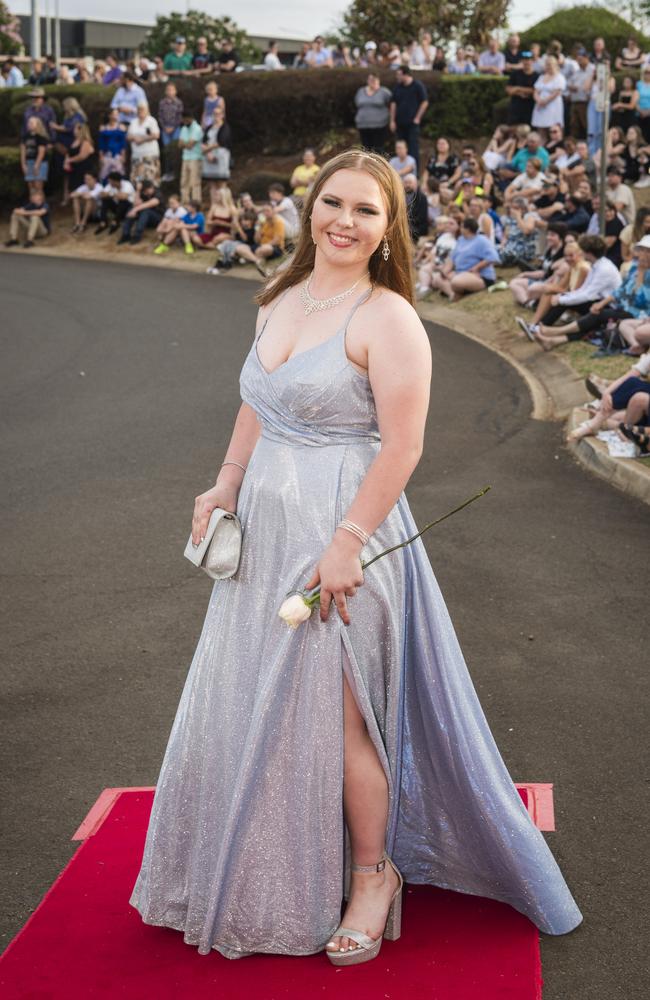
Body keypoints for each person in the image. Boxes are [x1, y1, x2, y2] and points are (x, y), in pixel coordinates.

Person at [129, 149, 582, 963]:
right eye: (331, 202)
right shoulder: (277, 299)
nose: (343, 220)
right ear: (311, 210)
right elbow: (255, 404)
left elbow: (402, 448)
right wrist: (224, 484)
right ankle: (275, 860)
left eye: (365, 210)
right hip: (266, 527)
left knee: (341, 719)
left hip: (344, 530)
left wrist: (346, 546)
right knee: (256, 699)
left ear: (388, 228)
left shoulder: (389, 318)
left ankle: (375, 874)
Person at [532, 237, 650, 352]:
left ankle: (554, 332)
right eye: (641, 250)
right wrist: (601, 303)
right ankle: (552, 338)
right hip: (621, 308)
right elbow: (619, 291)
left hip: (638, 314)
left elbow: (642, 301)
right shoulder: (634, 267)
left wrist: (640, 280)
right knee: (594, 321)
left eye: (645, 251)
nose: (640, 254)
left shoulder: (609, 268)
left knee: (597, 317)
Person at [518, 234, 621, 338]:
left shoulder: (603, 269)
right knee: (561, 299)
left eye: (582, 250)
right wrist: (562, 297)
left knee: (563, 301)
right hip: (599, 301)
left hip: (608, 307)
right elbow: (584, 290)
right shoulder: (597, 265)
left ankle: (537, 329)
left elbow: (587, 295)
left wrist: (561, 300)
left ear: (589, 253)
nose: (581, 253)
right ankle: (536, 327)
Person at [432, 216, 501, 300]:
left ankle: (454, 290)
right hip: (460, 273)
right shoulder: (461, 239)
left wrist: (476, 268)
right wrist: (445, 272)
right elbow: (452, 258)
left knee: (456, 282)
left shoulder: (482, 240)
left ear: (467, 229)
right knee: (437, 279)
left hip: (479, 276)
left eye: (461, 226)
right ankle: (453, 294)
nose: (460, 228)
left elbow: (493, 257)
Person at [216, 200, 285, 276]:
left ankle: (249, 258)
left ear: (273, 211)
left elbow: (277, 240)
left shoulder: (278, 222)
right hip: (260, 246)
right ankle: (257, 260)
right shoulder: (263, 222)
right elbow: (256, 240)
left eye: (268, 210)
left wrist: (263, 245)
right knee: (239, 247)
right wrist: (258, 228)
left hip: (274, 247)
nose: (265, 213)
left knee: (264, 249)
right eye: (264, 211)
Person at [389, 65, 428, 173]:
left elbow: (424, 102)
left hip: (412, 124)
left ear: (406, 74)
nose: (397, 77)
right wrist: (392, 120)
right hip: (400, 123)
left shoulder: (417, 86)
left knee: (413, 149)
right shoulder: (398, 87)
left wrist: (417, 118)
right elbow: (393, 103)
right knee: (400, 148)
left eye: (399, 74)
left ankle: (415, 175)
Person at [118, 179, 163, 245]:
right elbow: (135, 204)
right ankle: (125, 234)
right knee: (131, 208)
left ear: (151, 187)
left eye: (146, 190)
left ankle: (137, 236)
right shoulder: (143, 192)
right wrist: (138, 190)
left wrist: (135, 209)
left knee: (145, 210)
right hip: (144, 218)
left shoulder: (158, 193)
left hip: (157, 219)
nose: (145, 193)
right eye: (144, 191)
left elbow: (150, 203)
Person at [354, 73, 391, 153]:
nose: (372, 81)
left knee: (378, 150)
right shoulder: (360, 91)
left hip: (379, 126)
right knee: (365, 150)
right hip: (363, 126)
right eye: (370, 79)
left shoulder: (384, 92)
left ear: (378, 80)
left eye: (374, 80)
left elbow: (391, 105)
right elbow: (357, 104)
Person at [201, 106, 232, 199]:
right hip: (209, 156)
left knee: (221, 183)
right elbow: (204, 141)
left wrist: (207, 149)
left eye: (218, 114)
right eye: (214, 114)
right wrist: (208, 153)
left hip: (221, 156)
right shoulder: (209, 128)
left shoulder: (225, 127)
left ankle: (223, 203)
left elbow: (221, 142)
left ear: (222, 115)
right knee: (212, 183)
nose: (216, 116)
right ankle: (214, 204)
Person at [531, 55, 566, 138]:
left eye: (550, 64)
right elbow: (536, 91)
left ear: (555, 65)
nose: (548, 66)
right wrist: (538, 100)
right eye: (547, 64)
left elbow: (557, 92)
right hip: (540, 105)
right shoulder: (541, 77)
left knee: (553, 128)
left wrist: (545, 101)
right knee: (541, 128)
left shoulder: (559, 77)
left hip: (552, 105)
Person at [127, 103, 161, 185]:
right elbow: (128, 136)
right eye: (139, 109)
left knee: (151, 178)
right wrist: (135, 138)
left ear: (147, 110)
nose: (140, 111)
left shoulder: (151, 121)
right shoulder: (133, 122)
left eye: (143, 109)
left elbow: (156, 135)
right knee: (137, 179)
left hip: (150, 154)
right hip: (137, 155)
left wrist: (142, 139)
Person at [95, 170, 136, 234]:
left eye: (110, 181)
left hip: (128, 208)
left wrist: (111, 194)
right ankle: (103, 222)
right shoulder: (110, 185)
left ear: (116, 181)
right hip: (117, 208)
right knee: (105, 200)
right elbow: (102, 194)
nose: (109, 183)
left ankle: (115, 222)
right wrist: (114, 195)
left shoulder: (127, 184)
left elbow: (124, 197)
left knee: (123, 201)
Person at [178, 110, 204, 204]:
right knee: (184, 182)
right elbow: (179, 144)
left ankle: (196, 203)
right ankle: (184, 203)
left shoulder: (197, 128)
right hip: (185, 158)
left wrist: (185, 144)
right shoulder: (184, 128)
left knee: (194, 183)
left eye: (185, 119)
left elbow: (190, 145)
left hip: (195, 158)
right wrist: (186, 144)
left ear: (190, 118)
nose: (184, 121)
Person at [20, 116, 50, 198]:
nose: (29, 124)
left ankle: (41, 207)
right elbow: (23, 152)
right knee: (31, 187)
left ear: (37, 125)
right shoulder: (25, 137)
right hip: (29, 162)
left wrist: (37, 165)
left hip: (40, 163)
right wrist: (23, 164)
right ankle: (32, 206)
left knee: (38, 187)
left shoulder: (41, 137)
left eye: (31, 123)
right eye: (28, 122)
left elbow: (41, 153)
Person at [506, 51, 538, 125]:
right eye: (524, 60)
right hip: (515, 107)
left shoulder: (537, 76)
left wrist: (518, 88)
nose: (526, 62)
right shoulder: (515, 74)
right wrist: (518, 93)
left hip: (530, 107)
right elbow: (508, 90)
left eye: (528, 60)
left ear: (532, 61)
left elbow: (535, 90)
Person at [63, 122, 95, 195]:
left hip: (82, 168)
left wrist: (69, 160)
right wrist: (66, 162)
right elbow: (69, 153)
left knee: (81, 187)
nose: (74, 130)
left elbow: (82, 156)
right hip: (73, 168)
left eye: (75, 129)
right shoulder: (74, 141)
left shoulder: (86, 142)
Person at [97, 108, 128, 180]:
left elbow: (123, 143)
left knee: (118, 174)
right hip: (107, 154)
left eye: (117, 114)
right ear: (109, 115)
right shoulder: (103, 128)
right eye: (114, 114)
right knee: (105, 174)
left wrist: (123, 155)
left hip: (117, 154)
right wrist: (101, 156)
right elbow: (101, 144)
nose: (116, 116)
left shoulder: (121, 127)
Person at [402, 173, 429, 242]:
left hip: (416, 227)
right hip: (403, 226)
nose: (407, 185)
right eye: (405, 182)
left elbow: (421, 217)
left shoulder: (422, 198)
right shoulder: (400, 196)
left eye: (410, 183)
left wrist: (406, 224)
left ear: (415, 184)